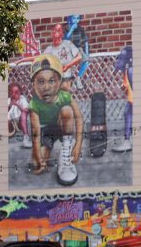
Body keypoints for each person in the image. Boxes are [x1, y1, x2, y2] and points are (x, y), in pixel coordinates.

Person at [28, 54, 84, 186]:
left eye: (51, 81)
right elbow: (35, 133)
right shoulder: (34, 104)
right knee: (37, 164)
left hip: (62, 126)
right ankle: (47, 151)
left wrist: (78, 145)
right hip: (47, 131)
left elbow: (79, 118)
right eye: (41, 81)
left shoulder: (65, 96)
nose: (46, 87)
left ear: (59, 82)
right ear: (34, 85)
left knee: (67, 110)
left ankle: (67, 147)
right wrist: (38, 156)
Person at [43, 22, 83, 92]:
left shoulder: (67, 44)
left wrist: (68, 65)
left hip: (66, 80)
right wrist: (21, 60)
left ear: (62, 34)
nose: (56, 32)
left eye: (59, 30)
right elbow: (38, 58)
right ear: (52, 33)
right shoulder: (49, 49)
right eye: (54, 30)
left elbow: (79, 57)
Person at [8, 82, 32, 148]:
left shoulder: (22, 99)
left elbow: (26, 110)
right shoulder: (9, 100)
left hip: (20, 121)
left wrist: (17, 104)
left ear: (20, 92)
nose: (14, 94)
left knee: (24, 114)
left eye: (16, 92)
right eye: (11, 92)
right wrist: (10, 105)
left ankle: (26, 138)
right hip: (11, 121)